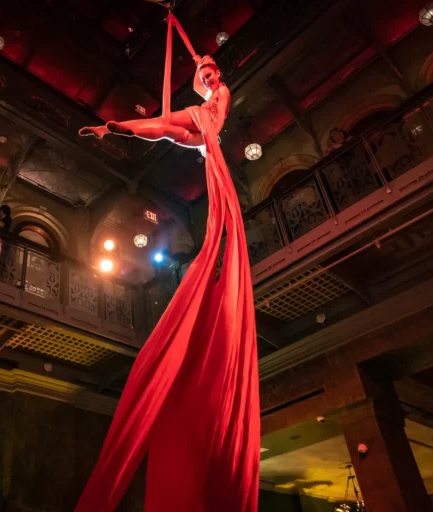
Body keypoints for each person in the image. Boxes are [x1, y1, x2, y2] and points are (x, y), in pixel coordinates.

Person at [74, 18, 259, 512]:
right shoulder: (198, 104)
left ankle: (122, 125)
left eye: (215, 71)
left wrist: (205, 68)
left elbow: (215, 94)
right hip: (195, 130)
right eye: (206, 72)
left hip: (207, 135)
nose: (212, 75)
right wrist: (114, 124)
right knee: (157, 126)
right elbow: (173, 110)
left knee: (170, 123)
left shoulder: (218, 96)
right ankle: (113, 125)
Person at [79, 55, 230, 151]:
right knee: (164, 130)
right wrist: (198, 68)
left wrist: (214, 133)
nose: (206, 82)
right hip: (200, 138)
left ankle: (106, 130)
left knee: (160, 120)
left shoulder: (223, 91)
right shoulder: (211, 94)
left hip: (206, 125)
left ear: (218, 73)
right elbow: (197, 86)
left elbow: (221, 114)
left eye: (209, 76)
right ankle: (124, 131)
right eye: (204, 79)